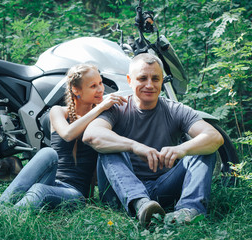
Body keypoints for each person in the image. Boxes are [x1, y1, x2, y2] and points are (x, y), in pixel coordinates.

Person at [82, 53, 224, 227]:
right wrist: (134, 146)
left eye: (155, 79)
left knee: (205, 149)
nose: (149, 85)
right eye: (142, 78)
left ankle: (188, 211)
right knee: (109, 147)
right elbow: (91, 135)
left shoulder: (175, 110)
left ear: (162, 81)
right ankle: (140, 203)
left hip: (162, 189)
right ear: (129, 80)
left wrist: (183, 149)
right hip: (118, 195)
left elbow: (214, 137)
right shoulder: (116, 108)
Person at [0, 63, 126, 212]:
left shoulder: (101, 119)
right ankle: (1, 208)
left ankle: (8, 215)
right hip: (52, 181)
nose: (101, 89)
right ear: (76, 90)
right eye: (93, 86)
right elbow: (67, 134)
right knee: (48, 153)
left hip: (75, 193)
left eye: (100, 83)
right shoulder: (58, 111)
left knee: (40, 190)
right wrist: (100, 107)